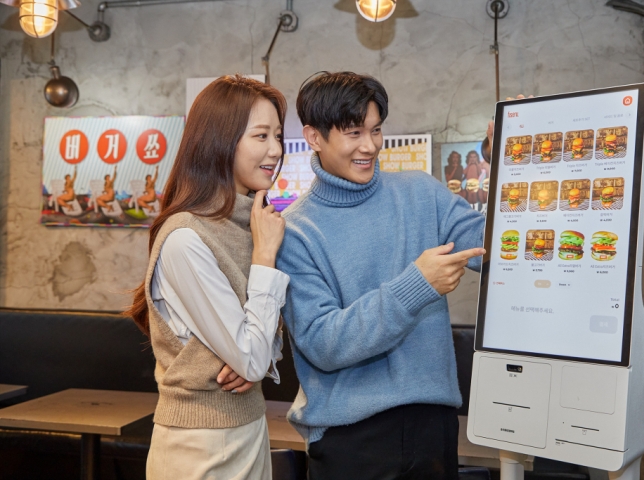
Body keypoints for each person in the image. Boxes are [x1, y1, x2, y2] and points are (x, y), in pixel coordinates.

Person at [276, 71, 487, 479]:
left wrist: (517, 162)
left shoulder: (421, 192)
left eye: (376, 130)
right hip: (350, 438)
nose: (370, 146)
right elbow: (323, 343)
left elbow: (493, 245)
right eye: (354, 133)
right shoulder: (296, 231)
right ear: (314, 137)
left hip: (433, 425)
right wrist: (416, 286)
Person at [127, 75, 289, 480]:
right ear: (220, 141)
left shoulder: (252, 224)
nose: (275, 150)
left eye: (278, 135)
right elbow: (253, 354)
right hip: (199, 445)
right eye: (261, 136)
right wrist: (265, 258)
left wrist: (254, 356)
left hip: (250, 428)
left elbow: (262, 343)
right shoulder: (186, 237)